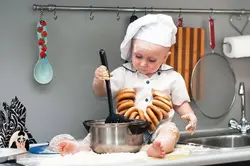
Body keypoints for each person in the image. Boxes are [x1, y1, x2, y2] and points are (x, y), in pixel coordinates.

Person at [58, 14, 197, 158]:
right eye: (138, 56)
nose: (143, 63)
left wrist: (191, 116)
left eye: (152, 60)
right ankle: (81, 146)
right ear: (131, 50)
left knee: (171, 131)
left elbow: (180, 103)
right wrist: (99, 79)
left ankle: (158, 146)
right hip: (125, 129)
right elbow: (101, 92)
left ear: (164, 57)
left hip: (159, 127)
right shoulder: (123, 73)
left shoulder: (172, 77)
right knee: (102, 130)